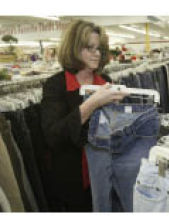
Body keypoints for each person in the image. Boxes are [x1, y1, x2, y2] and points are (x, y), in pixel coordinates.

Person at [40, 20, 127, 212]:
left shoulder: (105, 81)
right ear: (74, 48)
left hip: (104, 169)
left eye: (99, 48)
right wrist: (92, 103)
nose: (96, 53)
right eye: (89, 48)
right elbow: (53, 135)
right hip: (72, 177)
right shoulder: (56, 85)